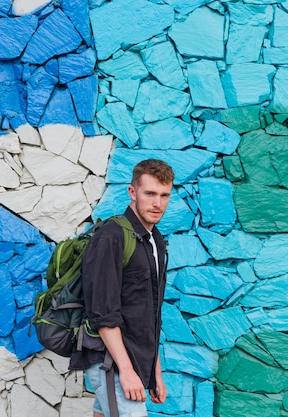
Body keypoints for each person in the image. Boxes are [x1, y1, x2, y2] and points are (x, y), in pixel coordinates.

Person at [70, 159, 174, 417]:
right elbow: (103, 313)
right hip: (111, 362)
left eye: (164, 195)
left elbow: (151, 314)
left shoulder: (155, 241)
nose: (157, 203)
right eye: (149, 194)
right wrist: (126, 371)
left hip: (134, 360)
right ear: (132, 192)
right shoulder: (111, 236)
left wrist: (154, 373)